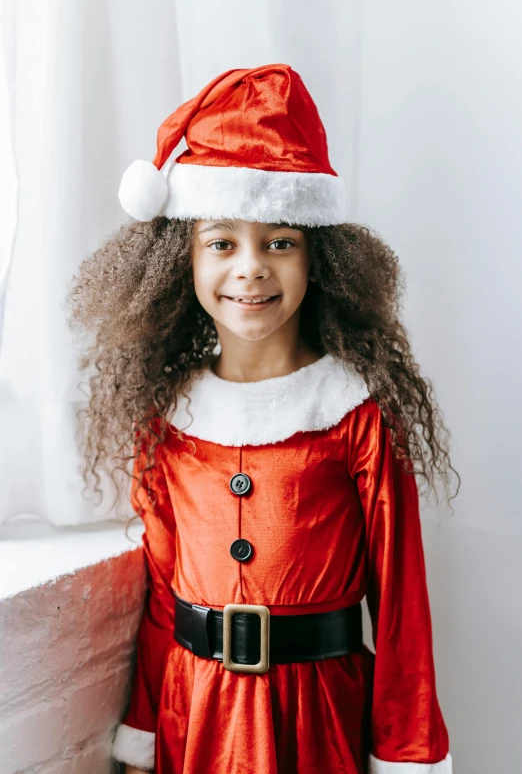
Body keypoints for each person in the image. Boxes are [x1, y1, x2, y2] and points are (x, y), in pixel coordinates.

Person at [68, 64, 459, 774]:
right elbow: (162, 602)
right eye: (221, 242)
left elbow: (403, 611)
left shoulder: (357, 415)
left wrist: (407, 752)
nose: (250, 268)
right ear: (178, 262)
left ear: (321, 258)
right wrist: (142, 735)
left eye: (280, 241)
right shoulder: (167, 422)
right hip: (197, 722)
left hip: (320, 723)